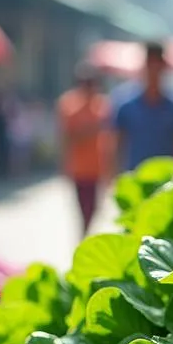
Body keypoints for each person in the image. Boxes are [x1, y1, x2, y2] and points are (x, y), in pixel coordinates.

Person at [112, 42, 173, 172]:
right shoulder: (126, 107)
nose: (154, 71)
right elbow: (116, 146)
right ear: (144, 66)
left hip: (166, 183)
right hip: (135, 181)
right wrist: (112, 179)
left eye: (157, 65)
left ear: (164, 68)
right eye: (150, 65)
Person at [58, 66, 111, 232]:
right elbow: (67, 137)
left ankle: (87, 232)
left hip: (98, 166)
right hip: (79, 168)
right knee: (83, 207)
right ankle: (84, 233)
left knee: (95, 207)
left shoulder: (103, 105)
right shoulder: (70, 105)